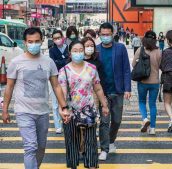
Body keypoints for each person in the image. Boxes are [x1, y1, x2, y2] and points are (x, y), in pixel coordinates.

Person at [2, 27, 69, 169]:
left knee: (41, 147)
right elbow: (9, 87)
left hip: (43, 112)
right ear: (25, 43)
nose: (34, 44)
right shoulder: (16, 62)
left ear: (42, 41)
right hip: (23, 112)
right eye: (30, 41)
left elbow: (56, 86)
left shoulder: (48, 62)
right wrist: (5, 110)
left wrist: (64, 107)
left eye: (37, 41)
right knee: (30, 147)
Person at [58, 40, 109, 169]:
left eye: (81, 50)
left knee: (91, 143)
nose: (78, 53)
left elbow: (98, 88)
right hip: (70, 112)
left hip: (89, 111)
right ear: (70, 53)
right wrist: (62, 109)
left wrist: (104, 105)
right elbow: (62, 93)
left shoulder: (91, 68)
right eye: (75, 51)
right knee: (72, 143)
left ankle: (91, 165)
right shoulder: (64, 71)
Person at [96, 22, 131, 161]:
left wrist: (128, 88)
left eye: (108, 34)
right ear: (99, 35)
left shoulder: (120, 48)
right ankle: (104, 148)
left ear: (113, 34)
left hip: (118, 90)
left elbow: (126, 69)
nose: (105, 37)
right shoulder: (96, 50)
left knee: (116, 120)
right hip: (102, 92)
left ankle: (111, 141)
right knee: (104, 121)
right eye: (103, 34)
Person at [132, 31, 162, 135]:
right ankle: (152, 128)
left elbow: (133, 64)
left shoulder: (140, 50)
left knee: (141, 102)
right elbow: (161, 66)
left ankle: (145, 119)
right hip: (155, 82)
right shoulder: (159, 51)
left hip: (142, 81)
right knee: (153, 104)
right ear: (155, 40)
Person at [49, 29, 70, 134]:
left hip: (69, 79)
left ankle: (67, 120)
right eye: (55, 38)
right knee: (55, 104)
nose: (57, 40)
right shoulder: (52, 50)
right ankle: (58, 125)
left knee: (67, 102)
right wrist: (64, 60)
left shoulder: (69, 48)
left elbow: (70, 61)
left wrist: (60, 61)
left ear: (63, 37)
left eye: (59, 37)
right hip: (55, 79)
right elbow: (53, 63)